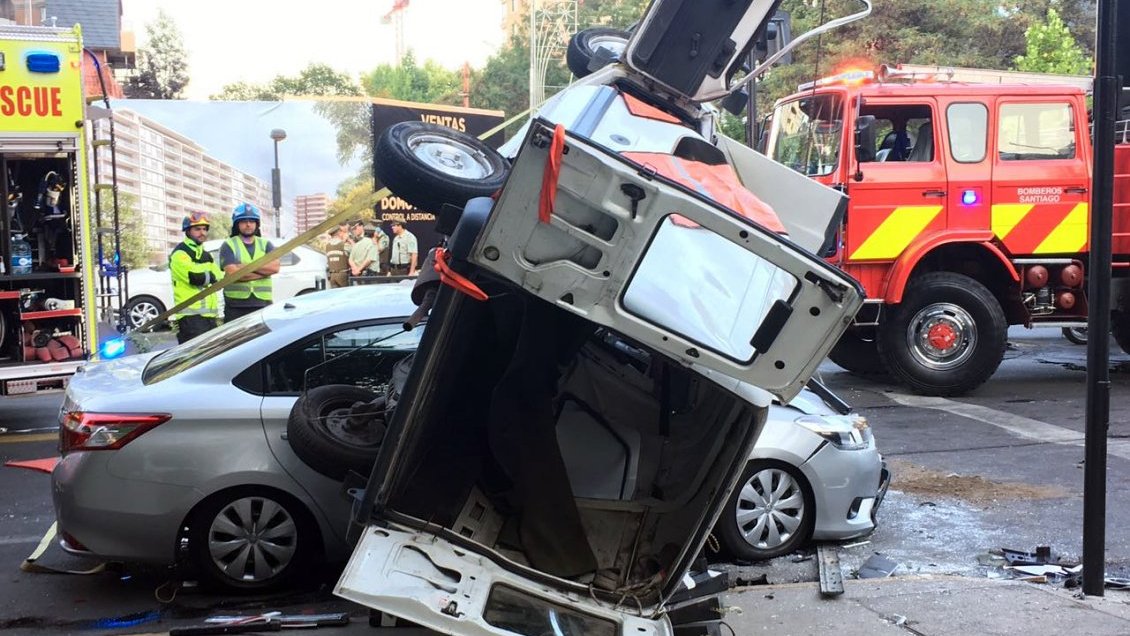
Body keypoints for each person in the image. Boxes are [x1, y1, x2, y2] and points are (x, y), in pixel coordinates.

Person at [220, 202, 278, 322]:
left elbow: (275, 268)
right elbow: (233, 274)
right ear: (237, 224)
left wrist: (245, 267)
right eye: (243, 221)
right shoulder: (228, 245)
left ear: (257, 224)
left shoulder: (266, 244)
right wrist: (264, 272)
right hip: (236, 306)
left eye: (252, 221)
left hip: (263, 304)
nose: (248, 225)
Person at [169, 211, 222, 343]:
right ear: (188, 231)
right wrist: (211, 276)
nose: (202, 232)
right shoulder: (180, 253)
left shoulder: (206, 255)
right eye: (197, 229)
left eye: (204, 229)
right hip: (190, 317)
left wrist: (211, 277)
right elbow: (195, 278)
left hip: (209, 316)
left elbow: (219, 277)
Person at [325, 224, 350, 288]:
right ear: (339, 233)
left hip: (332, 276)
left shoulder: (327, 246)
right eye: (342, 232)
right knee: (345, 292)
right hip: (342, 275)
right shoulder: (343, 244)